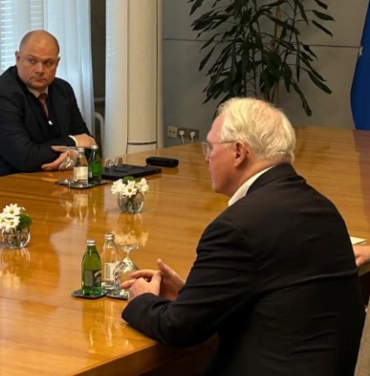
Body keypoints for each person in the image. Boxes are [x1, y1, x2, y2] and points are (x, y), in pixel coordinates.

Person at [121, 98, 363, 375]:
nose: (206, 157)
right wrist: (193, 295)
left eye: (210, 147)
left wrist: (142, 300)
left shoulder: (236, 228)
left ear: (238, 152)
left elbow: (179, 329)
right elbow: (280, 296)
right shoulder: (322, 207)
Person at [0, 30, 94, 182]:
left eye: (48, 63)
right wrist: (74, 143)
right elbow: (27, 158)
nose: (40, 70)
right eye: (32, 61)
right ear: (18, 58)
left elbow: (90, 145)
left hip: (44, 181)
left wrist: (74, 154)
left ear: (57, 63)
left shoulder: (63, 90)